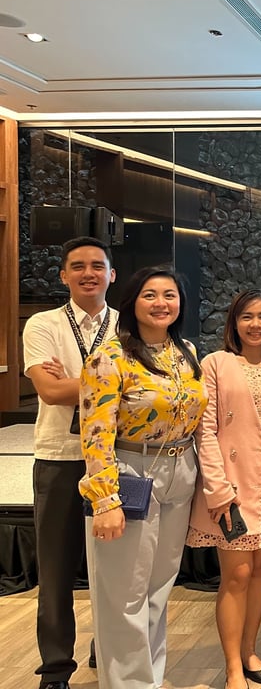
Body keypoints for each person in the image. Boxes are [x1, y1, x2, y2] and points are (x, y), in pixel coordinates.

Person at [79, 265, 207, 689]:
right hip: (131, 472)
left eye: (169, 295)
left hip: (179, 471)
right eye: (150, 295)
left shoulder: (185, 351)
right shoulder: (110, 357)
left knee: (158, 588)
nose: (160, 303)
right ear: (132, 301)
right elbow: (95, 433)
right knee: (123, 595)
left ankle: (148, 678)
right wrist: (105, 500)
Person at [185, 289, 261, 689]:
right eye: (247, 316)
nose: (256, 324)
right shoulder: (216, 363)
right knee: (237, 574)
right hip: (232, 484)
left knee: (260, 570)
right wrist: (217, 488)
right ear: (234, 322)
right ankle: (233, 664)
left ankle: (250, 651)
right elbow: (206, 427)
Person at [23, 236, 117, 689]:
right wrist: (112, 384)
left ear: (111, 275)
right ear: (64, 275)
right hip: (60, 458)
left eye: (97, 265)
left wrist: (74, 381)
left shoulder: (128, 323)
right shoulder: (43, 325)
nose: (88, 273)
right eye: (77, 266)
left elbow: (134, 392)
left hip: (116, 461)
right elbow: (49, 391)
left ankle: (110, 650)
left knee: (114, 568)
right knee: (57, 572)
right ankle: (56, 669)